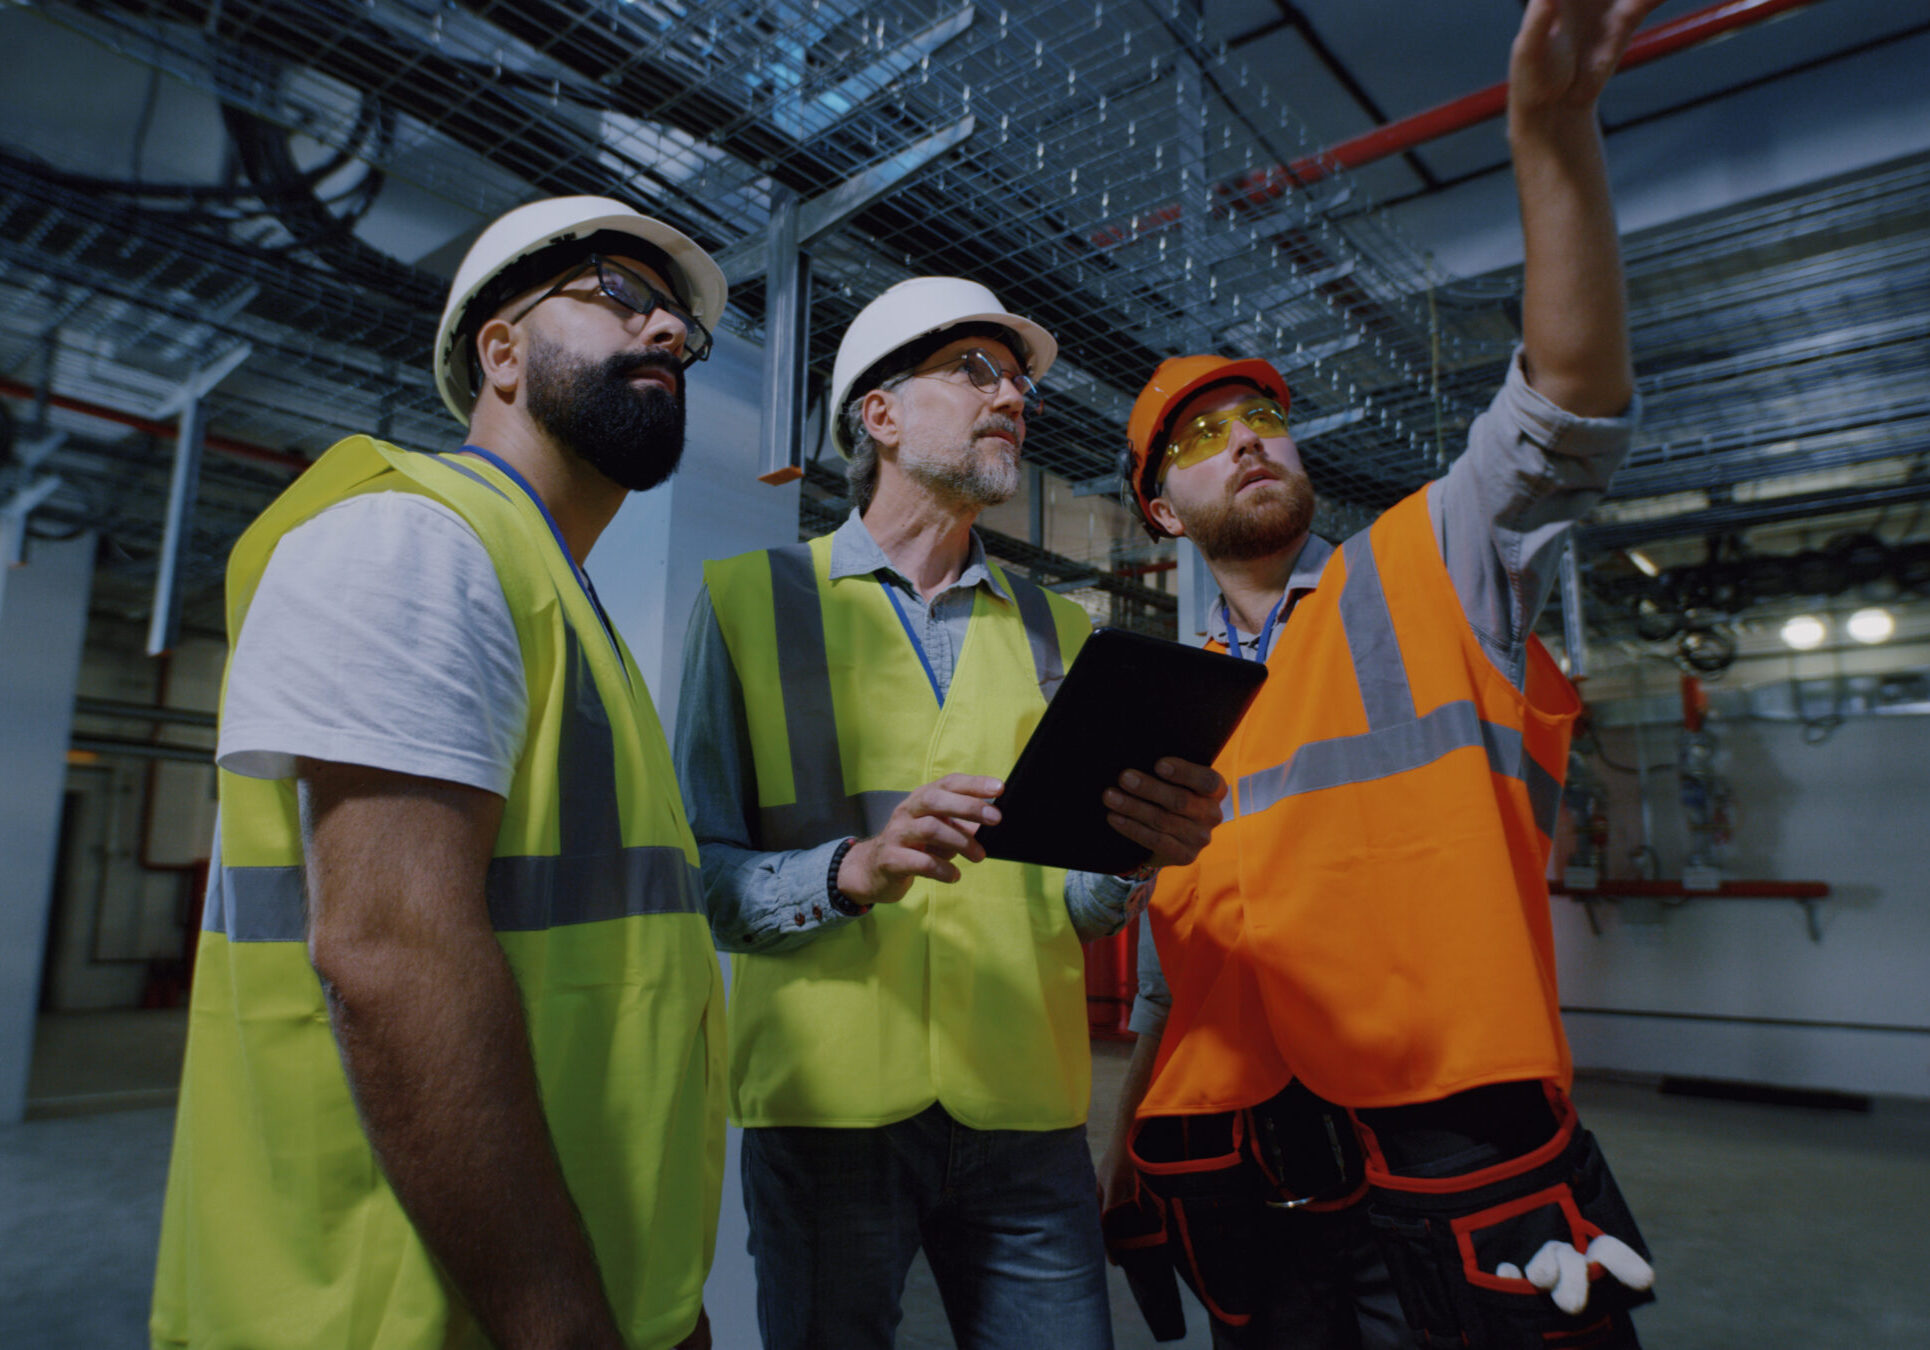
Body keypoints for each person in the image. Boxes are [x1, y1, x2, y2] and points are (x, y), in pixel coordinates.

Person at [1097, 3, 1665, 1347]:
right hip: (1246, 1182)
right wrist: (1121, 1145)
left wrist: (1553, 137)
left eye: (1261, 421)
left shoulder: (1429, 562)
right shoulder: (1155, 703)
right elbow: (1175, 971)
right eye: (1204, 437)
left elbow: (1566, 409)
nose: (1246, 441)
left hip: (1459, 1159)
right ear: (1161, 513)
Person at [151, 197, 730, 1350]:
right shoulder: (417, 542)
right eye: (620, 293)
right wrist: (553, 1317)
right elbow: (388, 955)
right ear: (500, 352)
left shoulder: (553, 594)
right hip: (402, 1310)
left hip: (579, 1287)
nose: (666, 330)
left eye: (679, 323)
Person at [674, 275, 1226, 1349]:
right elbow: (699, 877)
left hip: (1023, 1110)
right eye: (975, 371)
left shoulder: (1060, 630)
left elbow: (1075, 904)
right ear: (877, 415)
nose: (1013, 397)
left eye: (1017, 379)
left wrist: (1135, 854)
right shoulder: (747, 601)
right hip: (825, 1109)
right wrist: (852, 870)